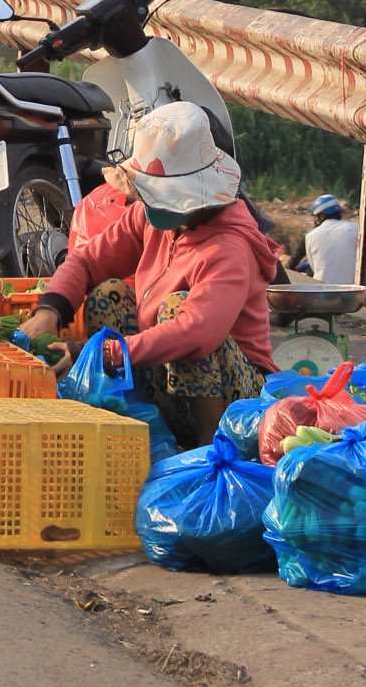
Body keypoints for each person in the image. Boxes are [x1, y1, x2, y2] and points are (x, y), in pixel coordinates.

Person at [17, 101, 280, 449]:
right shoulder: (148, 217)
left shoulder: (228, 249)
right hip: (170, 376)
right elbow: (86, 260)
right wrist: (51, 311)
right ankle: (137, 421)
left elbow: (196, 332)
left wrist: (101, 353)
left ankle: (207, 450)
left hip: (237, 400)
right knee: (108, 294)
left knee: (178, 309)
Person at [297, 193, 360, 285]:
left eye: (316, 217)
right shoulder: (356, 229)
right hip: (351, 291)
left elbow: (314, 267)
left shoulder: (311, 236)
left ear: (322, 216)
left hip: (321, 292)